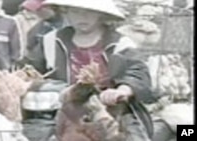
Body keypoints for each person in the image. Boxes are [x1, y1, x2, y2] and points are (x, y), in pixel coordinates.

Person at [25, 0, 154, 141]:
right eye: (76, 12)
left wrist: (121, 91)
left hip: (109, 111)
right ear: (66, 11)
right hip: (61, 113)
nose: (82, 17)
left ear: (100, 15)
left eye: (89, 13)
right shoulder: (50, 41)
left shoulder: (120, 44)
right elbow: (31, 69)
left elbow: (137, 71)